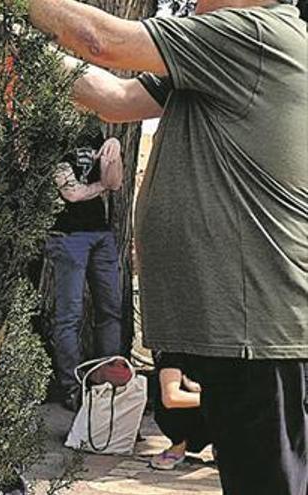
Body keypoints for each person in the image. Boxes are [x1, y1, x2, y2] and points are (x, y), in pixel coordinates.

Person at [26, 0, 306, 492]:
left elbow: (101, 40)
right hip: (237, 327)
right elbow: (112, 96)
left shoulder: (251, 34)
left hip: (258, 328)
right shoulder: (216, 54)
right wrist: (17, 41)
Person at [47, 131, 123, 411]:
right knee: (70, 315)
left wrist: (114, 148)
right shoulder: (54, 135)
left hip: (100, 234)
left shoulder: (94, 135)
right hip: (67, 236)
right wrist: (101, 184)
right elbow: (72, 193)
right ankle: (72, 387)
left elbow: (116, 183)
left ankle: (109, 383)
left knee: (110, 310)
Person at [150, 353, 211, 470]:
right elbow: (171, 398)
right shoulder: (173, 352)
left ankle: (224, 447)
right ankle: (179, 443)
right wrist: (220, 400)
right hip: (187, 418)